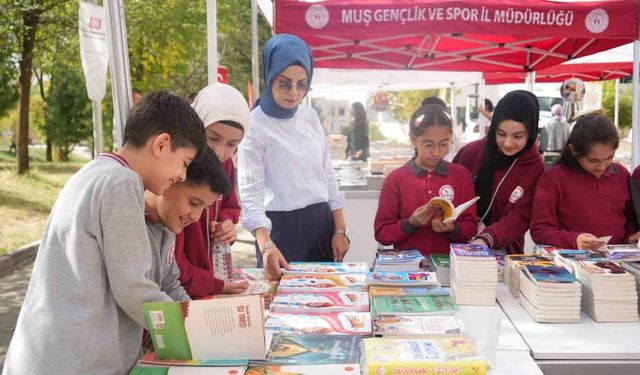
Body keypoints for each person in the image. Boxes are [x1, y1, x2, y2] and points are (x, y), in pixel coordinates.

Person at [2, 91, 206, 374]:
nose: (182, 176)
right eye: (184, 163)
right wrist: (198, 330)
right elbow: (134, 289)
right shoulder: (121, 183)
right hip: (72, 364)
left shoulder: (96, 173)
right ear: (161, 144)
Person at [238, 34, 349, 281]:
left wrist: (340, 229)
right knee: (283, 309)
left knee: (323, 302)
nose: (294, 93)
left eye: (302, 84)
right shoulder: (254, 125)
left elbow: (327, 175)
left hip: (321, 226)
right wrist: (265, 244)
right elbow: (250, 195)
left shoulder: (309, 116)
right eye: (284, 83)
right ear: (269, 77)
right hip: (280, 233)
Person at [176, 83, 251, 297]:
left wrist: (227, 225)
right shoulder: (177, 169)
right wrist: (214, 285)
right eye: (213, 138)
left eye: (232, 144)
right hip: (183, 284)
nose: (220, 152)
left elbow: (230, 205)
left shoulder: (226, 164)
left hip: (207, 276)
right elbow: (173, 264)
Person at [374, 104, 477, 257]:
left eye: (444, 144)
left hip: (451, 268)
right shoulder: (395, 179)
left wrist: (451, 228)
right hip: (408, 270)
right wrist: (411, 223)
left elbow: (471, 227)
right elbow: (382, 233)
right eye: (428, 144)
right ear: (413, 139)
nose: (437, 152)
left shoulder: (461, 175)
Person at [452, 90, 544, 254]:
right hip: (457, 244)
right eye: (501, 134)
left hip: (505, 250)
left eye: (518, 136)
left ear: (530, 133)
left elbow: (521, 216)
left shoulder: (534, 167)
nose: (508, 143)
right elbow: (451, 194)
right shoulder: (471, 152)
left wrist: (486, 238)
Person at [530, 112, 639, 250]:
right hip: (571, 262)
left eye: (609, 157)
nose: (601, 166)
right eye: (593, 160)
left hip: (617, 261)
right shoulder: (554, 178)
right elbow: (540, 229)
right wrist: (574, 240)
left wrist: (630, 236)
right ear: (574, 150)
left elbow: (630, 220)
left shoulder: (621, 174)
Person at [144, 147, 232, 301]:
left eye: (204, 209)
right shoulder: (132, 222)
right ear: (172, 179)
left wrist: (191, 320)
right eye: (193, 202)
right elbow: (136, 292)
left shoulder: (167, 226)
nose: (196, 217)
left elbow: (171, 284)